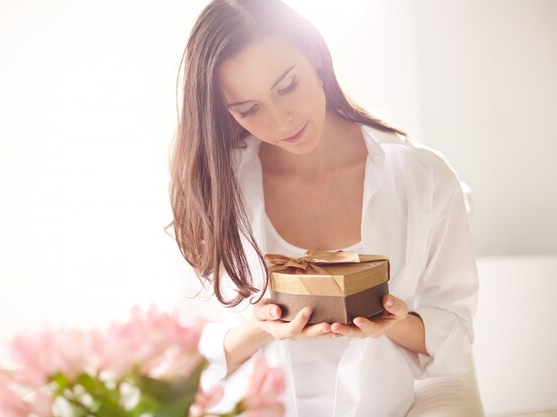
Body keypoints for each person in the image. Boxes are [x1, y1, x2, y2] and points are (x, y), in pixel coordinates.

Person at [168, 0, 479, 416]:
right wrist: (261, 328)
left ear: (313, 54)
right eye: (248, 109)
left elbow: (455, 334)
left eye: (287, 86)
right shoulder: (216, 192)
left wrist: (393, 320)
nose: (281, 122)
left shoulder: (422, 178)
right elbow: (182, 356)